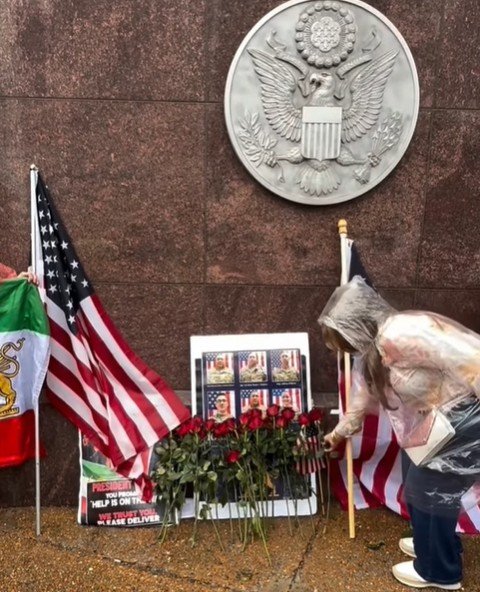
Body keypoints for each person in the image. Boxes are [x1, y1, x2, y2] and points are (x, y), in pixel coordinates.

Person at [318, 275, 480, 591]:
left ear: (357, 324)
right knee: (417, 481)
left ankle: (440, 573)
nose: (345, 350)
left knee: (429, 489)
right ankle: (432, 544)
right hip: (435, 422)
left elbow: (472, 359)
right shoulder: (371, 350)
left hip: (463, 415)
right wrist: (338, 434)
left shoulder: (405, 333)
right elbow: (360, 396)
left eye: (343, 341)